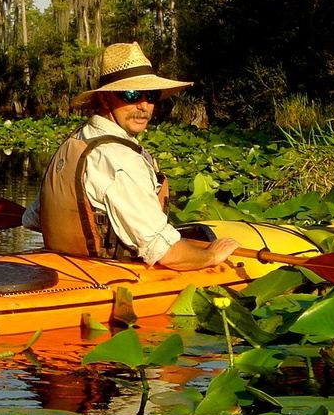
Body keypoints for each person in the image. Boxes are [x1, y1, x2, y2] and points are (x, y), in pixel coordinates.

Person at [22, 42, 239, 271]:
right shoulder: (119, 159)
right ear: (105, 99)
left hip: (68, 267)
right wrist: (212, 257)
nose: (144, 106)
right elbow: (167, 253)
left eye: (151, 95)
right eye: (131, 94)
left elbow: (33, 218)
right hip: (109, 276)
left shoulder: (75, 142)